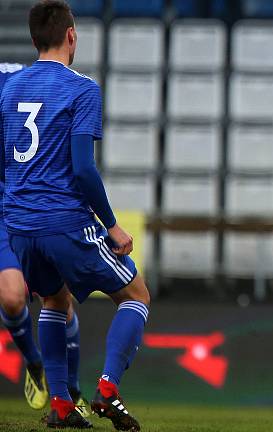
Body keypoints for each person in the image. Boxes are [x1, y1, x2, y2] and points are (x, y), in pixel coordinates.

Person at [0, 2, 150, 429]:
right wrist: (111, 224)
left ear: (33, 40)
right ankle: (107, 387)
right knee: (136, 295)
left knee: (53, 299)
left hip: (21, 225)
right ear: (71, 36)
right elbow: (83, 167)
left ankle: (62, 404)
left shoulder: (9, 89)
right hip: (64, 220)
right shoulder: (82, 89)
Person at [0, 61, 89, 416]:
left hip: (39, 206)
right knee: (10, 297)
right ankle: (35, 364)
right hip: (4, 211)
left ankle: (72, 388)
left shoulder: (24, 81)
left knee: (59, 299)